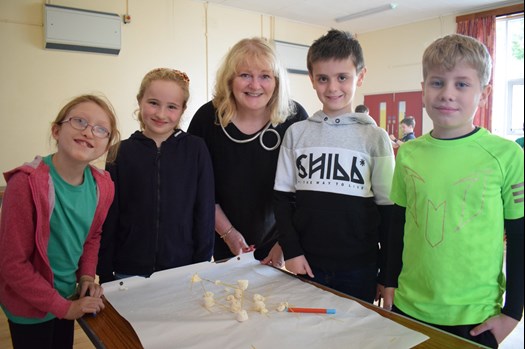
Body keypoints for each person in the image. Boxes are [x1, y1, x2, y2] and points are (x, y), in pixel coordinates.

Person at [382, 34, 524, 348]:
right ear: (423, 89)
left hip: (474, 316)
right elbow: (397, 224)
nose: (447, 94)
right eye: (437, 82)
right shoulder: (408, 153)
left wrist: (513, 312)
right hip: (410, 304)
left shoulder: (507, 155)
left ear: (484, 94)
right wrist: (388, 280)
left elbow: (519, 235)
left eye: (461, 84)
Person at [273, 29, 395, 303]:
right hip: (306, 263)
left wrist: (387, 275)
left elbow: (389, 214)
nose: (333, 88)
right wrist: (291, 251)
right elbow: (282, 199)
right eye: (323, 79)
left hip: (359, 268)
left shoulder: (375, 138)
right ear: (312, 80)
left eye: (343, 77)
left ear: (360, 76)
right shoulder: (296, 133)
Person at [0, 94, 121, 349]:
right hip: (29, 306)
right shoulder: (25, 184)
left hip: (68, 295)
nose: (89, 131)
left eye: (100, 129)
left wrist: (87, 277)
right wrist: (63, 307)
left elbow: (92, 237)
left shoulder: (103, 186)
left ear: (107, 145)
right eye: (79, 121)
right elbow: (12, 265)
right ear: (56, 130)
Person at [188, 37, 308, 265]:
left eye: (265, 76)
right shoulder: (207, 119)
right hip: (219, 237)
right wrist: (229, 234)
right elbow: (198, 188)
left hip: (278, 239)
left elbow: (304, 190)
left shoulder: (295, 118)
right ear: (230, 80)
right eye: (245, 75)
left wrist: (285, 242)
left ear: (277, 82)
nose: (255, 85)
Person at [97, 68, 215, 284]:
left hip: (183, 269)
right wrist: (104, 272)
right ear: (140, 101)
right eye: (153, 103)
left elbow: (204, 211)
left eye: (171, 107)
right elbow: (109, 215)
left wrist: (202, 264)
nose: (161, 114)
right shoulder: (119, 152)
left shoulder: (196, 149)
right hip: (128, 270)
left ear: (182, 110)